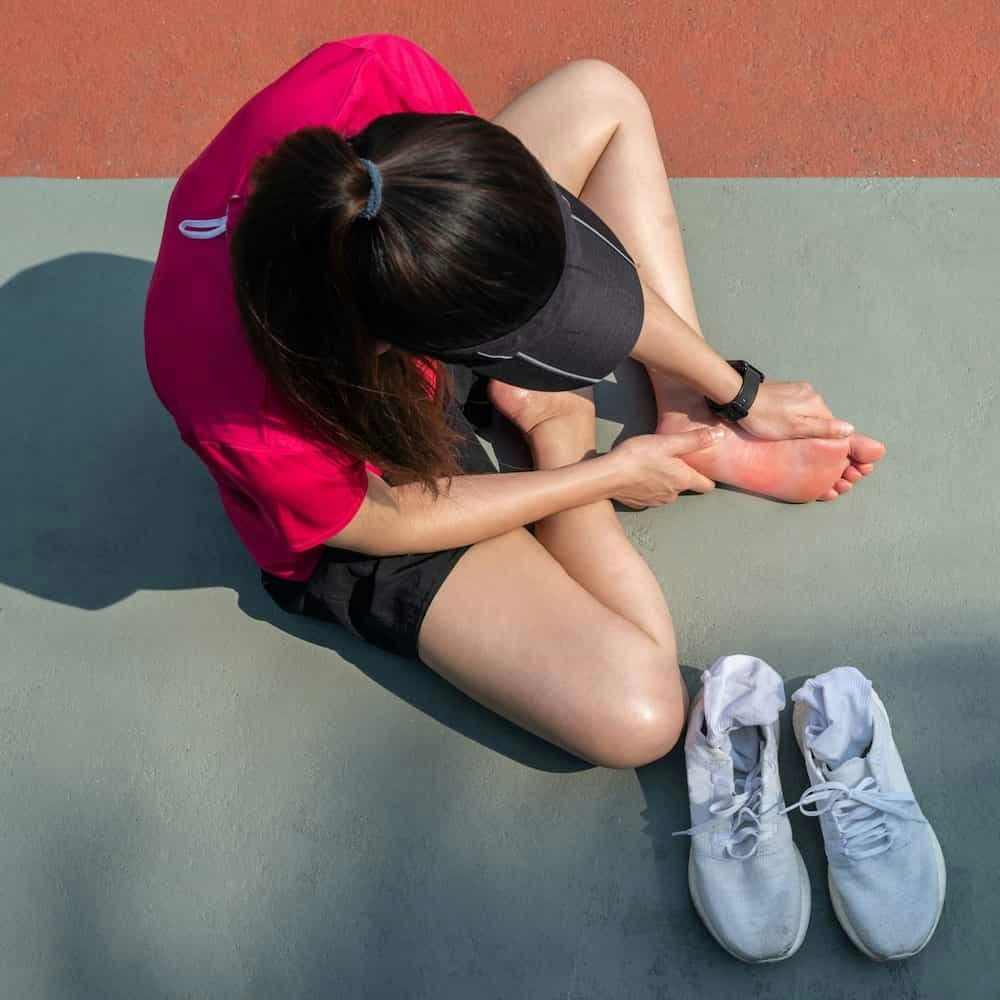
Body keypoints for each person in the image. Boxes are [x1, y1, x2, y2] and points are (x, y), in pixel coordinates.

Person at [145, 34, 885, 770]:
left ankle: (686, 414)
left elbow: (504, 228)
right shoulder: (242, 409)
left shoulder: (373, 84)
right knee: (642, 715)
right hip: (373, 472)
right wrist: (595, 472)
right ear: (415, 349)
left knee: (600, 95)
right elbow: (372, 522)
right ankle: (549, 425)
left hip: (402, 286)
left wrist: (731, 390)